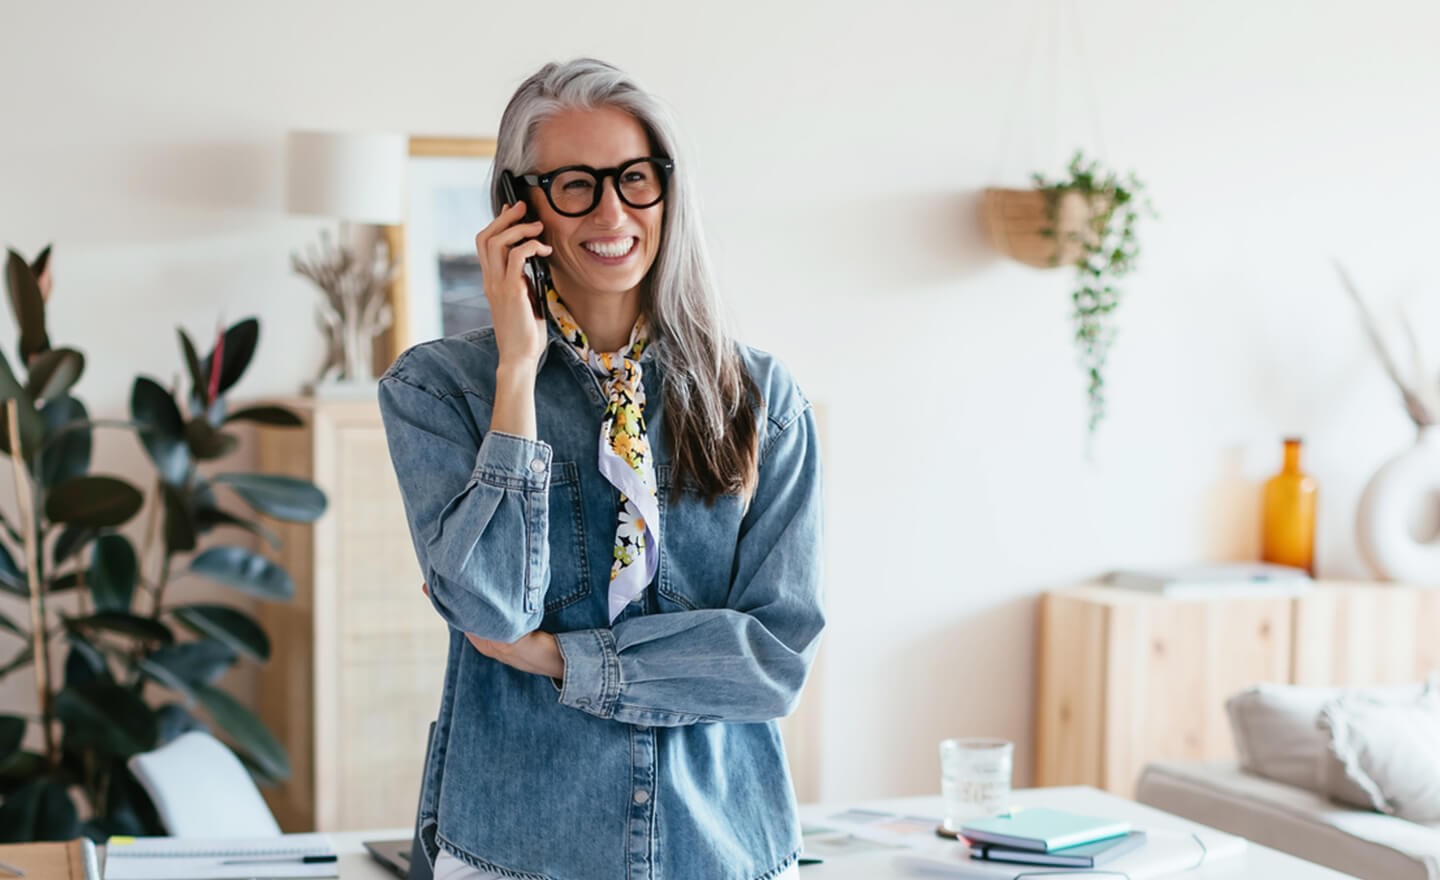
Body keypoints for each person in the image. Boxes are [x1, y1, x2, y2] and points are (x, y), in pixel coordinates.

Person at [379, 58, 824, 880]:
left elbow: (773, 657)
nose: (612, 210)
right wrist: (517, 372)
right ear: (520, 204)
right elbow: (490, 606)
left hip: (722, 850)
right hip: (517, 853)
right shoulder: (436, 389)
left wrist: (565, 660)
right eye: (575, 184)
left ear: (667, 188)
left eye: (634, 178)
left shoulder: (762, 398)